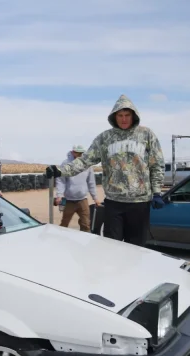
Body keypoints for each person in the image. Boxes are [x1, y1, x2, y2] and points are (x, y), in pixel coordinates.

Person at [45, 94, 165, 246]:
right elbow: (85, 160)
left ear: (133, 115)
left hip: (139, 203)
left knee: (136, 248)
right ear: (114, 116)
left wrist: (156, 192)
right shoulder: (105, 138)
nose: (124, 119)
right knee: (111, 247)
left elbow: (156, 164)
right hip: (114, 203)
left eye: (127, 115)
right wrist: (61, 171)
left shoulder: (146, 135)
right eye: (120, 115)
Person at [54, 145, 100, 232]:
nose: (79, 155)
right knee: (64, 223)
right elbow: (61, 181)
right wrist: (59, 195)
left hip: (83, 200)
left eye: (81, 153)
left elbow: (91, 182)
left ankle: (85, 239)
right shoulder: (65, 164)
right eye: (77, 153)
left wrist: (95, 198)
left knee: (86, 224)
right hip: (69, 200)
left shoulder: (87, 165)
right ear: (72, 152)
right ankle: (60, 238)